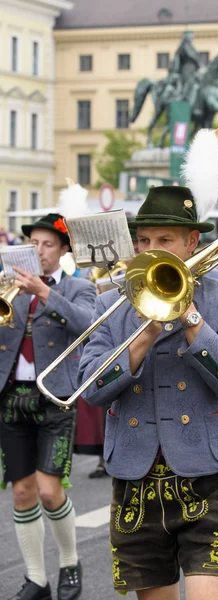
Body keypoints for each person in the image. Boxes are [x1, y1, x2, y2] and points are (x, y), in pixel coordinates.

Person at [78, 184, 218, 600]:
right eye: (143, 240)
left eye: (164, 240)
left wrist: (187, 314)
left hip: (210, 473)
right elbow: (91, 389)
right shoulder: (112, 303)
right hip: (136, 473)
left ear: (192, 242)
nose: (150, 248)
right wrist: (143, 337)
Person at [0, 213, 96, 600]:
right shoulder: (8, 285)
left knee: (49, 492)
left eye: (47, 245)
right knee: (22, 493)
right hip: (10, 397)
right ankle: (36, 579)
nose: (39, 251)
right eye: (34, 244)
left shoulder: (78, 287)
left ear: (62, 251)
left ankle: (70, 563)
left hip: (54, 397)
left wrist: (44, 293)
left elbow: (88, 324)